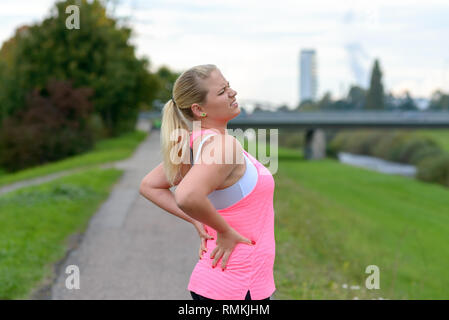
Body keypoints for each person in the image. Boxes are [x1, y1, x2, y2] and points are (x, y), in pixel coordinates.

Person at [139, 64, 276, 300]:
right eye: (222, 91)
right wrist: (222, 229)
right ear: (199, 109)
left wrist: (198, 220)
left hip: (223, 284)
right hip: (236, 287)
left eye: (229, 86)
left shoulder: (196, 144)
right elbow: (186, 196)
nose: (232, 93)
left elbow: (149, 186)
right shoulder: (223, 146)